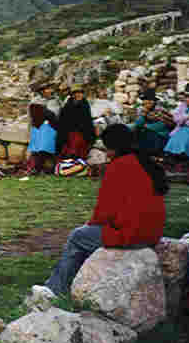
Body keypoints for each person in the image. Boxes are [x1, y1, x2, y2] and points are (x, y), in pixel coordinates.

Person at [33, 124, 168, 299]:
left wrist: (89, 225)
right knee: (86, 235)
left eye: (107, 148)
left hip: (132, 235)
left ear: (114, 147)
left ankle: (56, 288)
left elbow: (105, 210)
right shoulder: (145, 163)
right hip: (152, 233)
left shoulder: (118, 166)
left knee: (78, 237)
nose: (107, 153)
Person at [163, 83, 189, 184]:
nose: (188, 100)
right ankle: (175, 162)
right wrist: (186, 117)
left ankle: (186, 162)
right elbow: (176, 118)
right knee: (175, 138)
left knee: (186, 139)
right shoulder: (182, 105)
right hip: (180, 129)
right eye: (186, 97)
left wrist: (183, 119)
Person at [56, 84, 96, 159]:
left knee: (82, 152)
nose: (78, 95)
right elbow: (63, 121)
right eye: (76, 93)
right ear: (72, 95)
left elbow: (88, 120)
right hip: (71, 133)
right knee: (72, 152)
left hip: (83, 133)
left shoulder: (85, 104)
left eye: (80, 92)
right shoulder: (67, 105)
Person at [131, 89, 174, 157]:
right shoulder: (142, 111)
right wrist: (144, 114)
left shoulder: (160, 110)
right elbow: (137, 124)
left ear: (154, 101)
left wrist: (145, 126)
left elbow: (163, 125)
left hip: (160, 138)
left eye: (150, 99)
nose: (148, 101)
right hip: (147, 137)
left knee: (143, 131)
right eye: (146, 99)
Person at [25, 97, 57, 175]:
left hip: (47, 140)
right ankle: (36, 168)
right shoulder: (36, 117)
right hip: (42, 140)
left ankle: (37, 169)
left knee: (41, 151)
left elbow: (54, 127)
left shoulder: (48, 115)